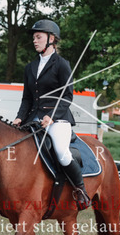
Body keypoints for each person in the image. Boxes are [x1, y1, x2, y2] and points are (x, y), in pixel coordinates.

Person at [13, 19, 90, 209]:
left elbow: (67, 95)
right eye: (34, 38)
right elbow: (27, 98)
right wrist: (19, 117)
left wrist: (52, 116)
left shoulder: (62, 65)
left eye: (38, 37)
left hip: (58, 120)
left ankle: (80, 189)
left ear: (51, 39)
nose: (35, 41)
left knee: (62, 152)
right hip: (33, 119)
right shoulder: (30, 67)